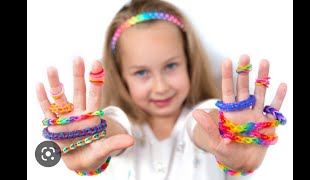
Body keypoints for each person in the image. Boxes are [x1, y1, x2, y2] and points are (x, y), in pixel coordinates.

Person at [36, 0, 287, 179]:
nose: (161, 86)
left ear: (189, 62)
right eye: (141, 72)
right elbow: (112, 129)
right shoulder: (121, 123)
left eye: (170, 66)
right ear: (122, 77)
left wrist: (229, 131)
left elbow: (203, 124)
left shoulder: (199, 117)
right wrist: (93, 131)